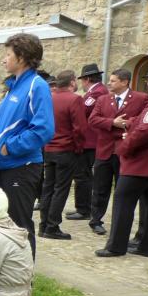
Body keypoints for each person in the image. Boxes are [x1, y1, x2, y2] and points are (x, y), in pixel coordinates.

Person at [0, 33, 54, 258]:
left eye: (8, 54)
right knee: (2, 227)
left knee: (19, 226)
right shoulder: (14, 87)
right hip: (2, 168)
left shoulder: (36, 85)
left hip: (21, 168)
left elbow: (43, 129)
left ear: (21, 57)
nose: (3, 59)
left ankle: (23, 276)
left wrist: (10, 147)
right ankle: (7, 274)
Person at [96, 64, 148, 258]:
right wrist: (130, 124)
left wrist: (124, 147)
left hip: (141, 164)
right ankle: (147, 246)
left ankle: (116, 246)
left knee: (122, 201)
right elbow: (141, 122)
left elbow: (144, 131)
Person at [88, 68, 148, 236]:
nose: (109, 83)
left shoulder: (141, 98)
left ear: (125, 82)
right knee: (100, 188)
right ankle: (96, 220)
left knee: (122, 191)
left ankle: (119, 223)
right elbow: (92, 120)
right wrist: (111, 122)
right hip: (104, 150)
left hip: (126, 151)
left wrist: (127, 124)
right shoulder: (103, 99)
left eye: (113, 80)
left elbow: (143, 119)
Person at [39, 70, 87, 240]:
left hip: (49, 148)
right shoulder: (74, 99)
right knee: (61, 189)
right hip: (66, 149)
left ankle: (43, 225)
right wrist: (79, 147)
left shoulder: (49, 98)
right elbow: (80, 128)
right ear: (72, 82)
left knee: (48, 188)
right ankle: (52, 226)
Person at [66, 63, 108, 221]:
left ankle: (84, 209)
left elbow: (81, 110)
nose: (82, 84)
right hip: (90, 140)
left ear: (88, 79)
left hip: (89, 141)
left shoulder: (97, 92)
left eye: (82, 80)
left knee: (82, 175)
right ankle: (83, 207)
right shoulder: (96, 92)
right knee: (83, 175)